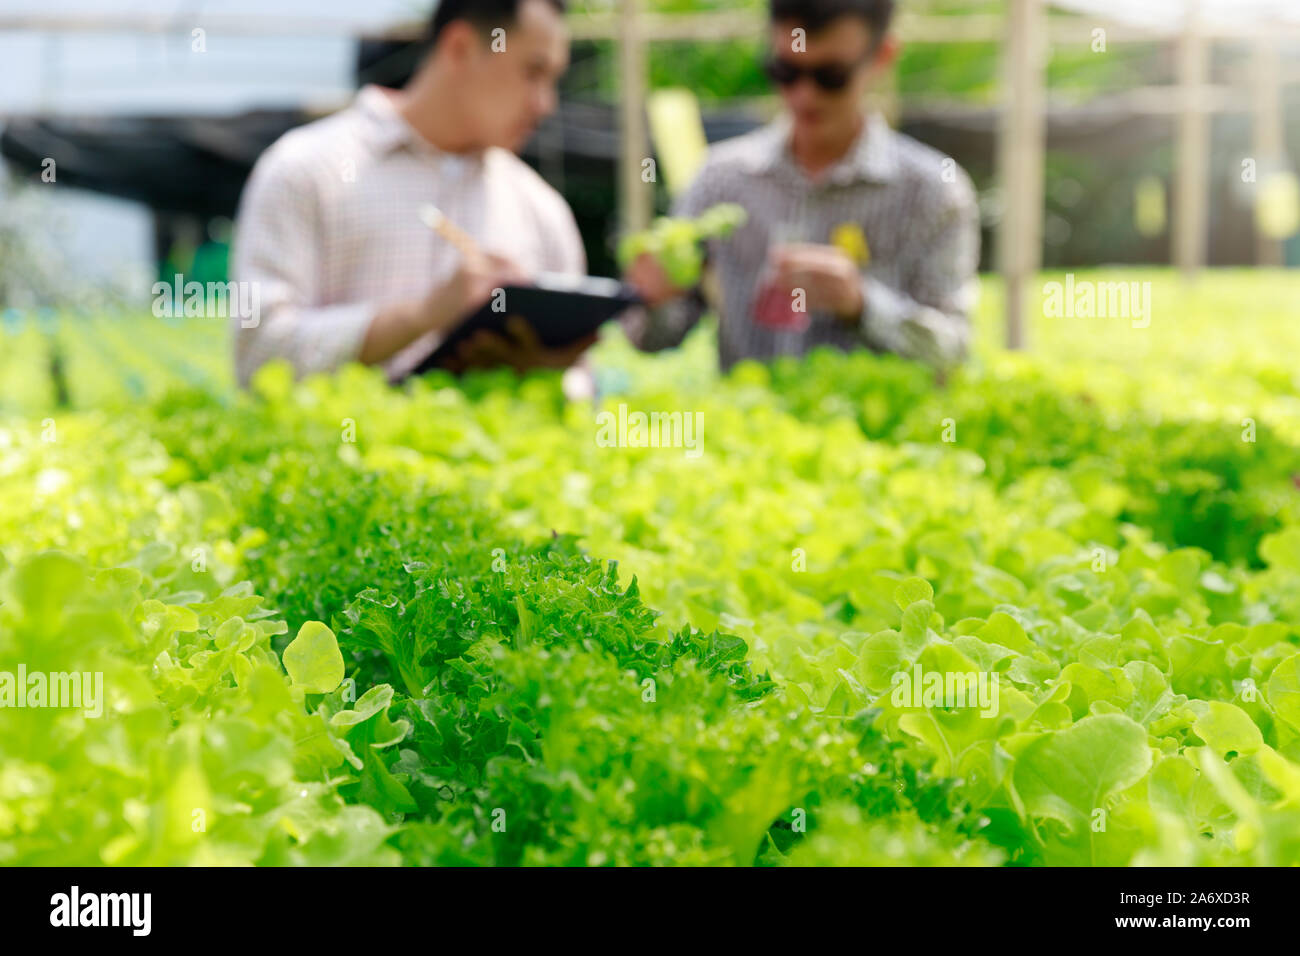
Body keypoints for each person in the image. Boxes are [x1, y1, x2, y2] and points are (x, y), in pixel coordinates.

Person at [231, 0, 593, 387]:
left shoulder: (541, 209)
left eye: (553, 79)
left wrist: (544, 367)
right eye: (532, 72)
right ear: (460, 48)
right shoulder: (307, 171)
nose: (545, 104)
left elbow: (583, 386)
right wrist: (423, 315)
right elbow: (258, 356)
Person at [625, 0, 980, 371]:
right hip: (754, 425)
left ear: (882, 56)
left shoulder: (933, 190)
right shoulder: (721, 180)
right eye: (787, 71)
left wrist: (861, 304)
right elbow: (651, 339)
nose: (804, 96)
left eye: (830, 77)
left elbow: (952, 352)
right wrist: (653, 297)